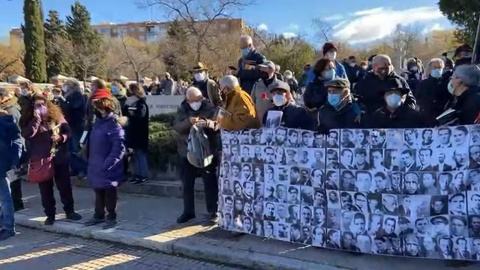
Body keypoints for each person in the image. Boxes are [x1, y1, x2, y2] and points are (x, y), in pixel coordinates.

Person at [20, 93, 82, 225]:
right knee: (46, 189)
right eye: (38, 104)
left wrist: (61, 138)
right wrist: (36, 119)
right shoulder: (28, 119)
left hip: (59, 156)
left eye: (43, 104)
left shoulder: (56, 116)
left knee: (64, 186)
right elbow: (27, 134)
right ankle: (50, 214)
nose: (41, 107)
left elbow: (68, 132)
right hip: (41, 159)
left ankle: (69, 211)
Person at [173, 87, 220, 223]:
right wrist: (189, 122)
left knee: (209, 182)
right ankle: (188, 212)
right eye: (192, 101)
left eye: (198, 99)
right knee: (187, 183)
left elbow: (219, 124)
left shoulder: (210, 107)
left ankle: (213, 211)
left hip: (206, 152)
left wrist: (207, 123)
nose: (195, 103)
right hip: (187, 151)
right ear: (187, 100)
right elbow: (177, 126)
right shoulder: (183, 108)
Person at [83, 95, 125, 229]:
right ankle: (98, 214)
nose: (94, 111)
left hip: (108, 165)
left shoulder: (114, 124)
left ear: (104, 109)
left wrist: (108, 163)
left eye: (96, 108)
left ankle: (111, 216)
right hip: (96, 162)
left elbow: (119, 147)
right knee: (98, 191)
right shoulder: (98, 123)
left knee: (109, 191)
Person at [0, 105, 22, 240]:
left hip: (3, 165)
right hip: (5, 165)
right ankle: (7, 226)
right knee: (5, 198)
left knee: (5, 198)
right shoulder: (8, 122)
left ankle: (8, 227)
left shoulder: (5, 122)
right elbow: (17, 142)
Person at [0, 87, 24, 211]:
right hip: (7, 151)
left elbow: (16, 134)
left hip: (11, 150)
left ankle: (17, 203)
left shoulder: (11, 111)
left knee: (13, 181)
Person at [124, 84, 149, 184]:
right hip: (131, 133)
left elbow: (140, 118)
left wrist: (131, 115)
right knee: (134, 155)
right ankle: (136, 174)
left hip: (139, 134)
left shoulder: (141, 104)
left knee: (140, 155)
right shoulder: (130, 104)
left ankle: (143, 175)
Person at [62, 79, 88, 178]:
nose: (65, 86)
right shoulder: (68, 95)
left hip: (76, 125)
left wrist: (62, 100)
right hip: (69, 124)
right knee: (69, 149)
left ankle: (83, 169)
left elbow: (72, 107)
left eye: (67, 85)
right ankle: (74, 168)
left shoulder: (77, 95)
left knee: (76, 148)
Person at [415, 58, 450, 125]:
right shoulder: (423, 84)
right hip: (426, 118)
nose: (437, 69)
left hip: (443, 118)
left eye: (439, 67)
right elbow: (418, 99)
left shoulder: (447, 84)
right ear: (430, 69)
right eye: (435, 67)